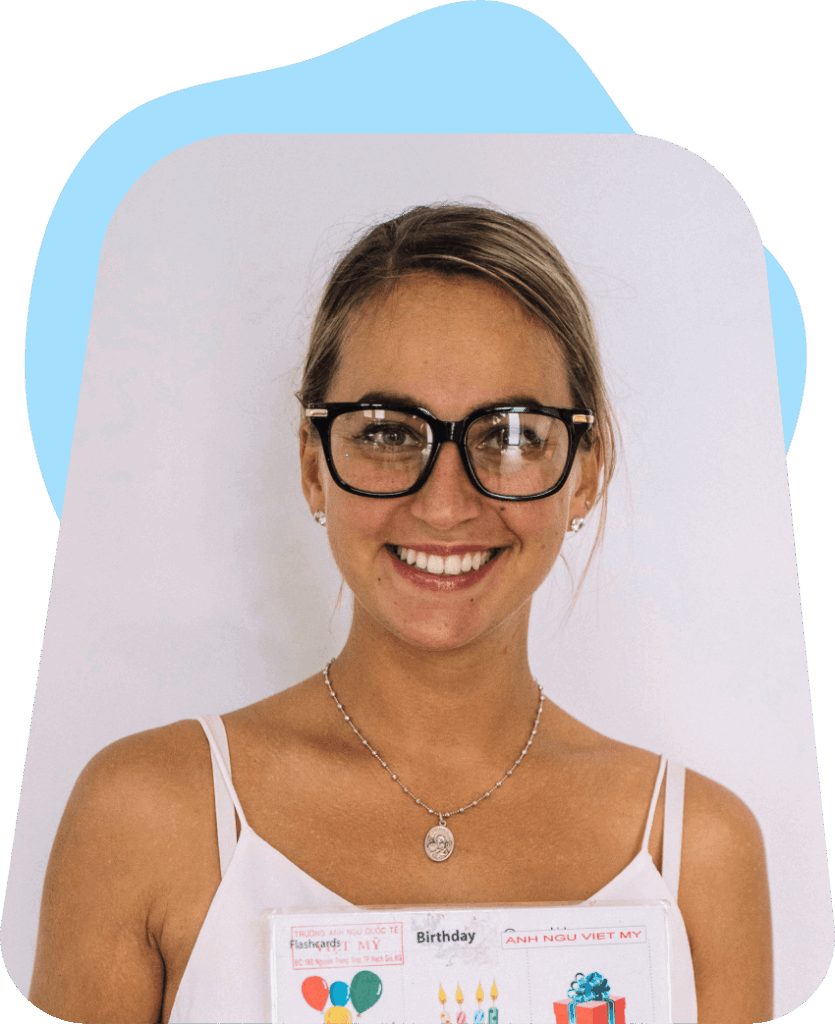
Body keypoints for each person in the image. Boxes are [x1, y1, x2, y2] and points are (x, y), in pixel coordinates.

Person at [28, 205, 772, 1024]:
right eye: (387, 433)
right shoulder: (144, 816)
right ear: (313, 464)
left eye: (510, 434)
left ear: (584, 472)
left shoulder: (697, 852)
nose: (445, 505)